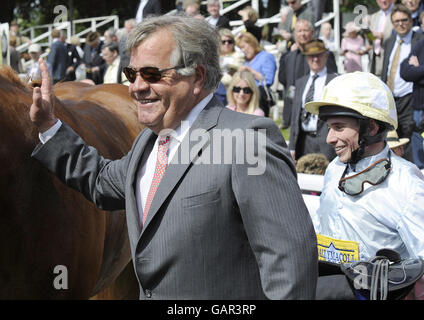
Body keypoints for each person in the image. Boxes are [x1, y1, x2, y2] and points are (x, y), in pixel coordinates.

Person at [30, 14, 317, 300]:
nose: (136, 87)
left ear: (198, 77)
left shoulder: (247, 141)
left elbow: (290, 265)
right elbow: (101, 181)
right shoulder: (148, 141)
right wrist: (48, 127)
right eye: (132, 74)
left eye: (152, 74)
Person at [305, 71, 424, 299]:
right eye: (329, 127)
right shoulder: (335, 168)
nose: (329, 138)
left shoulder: (407, 183)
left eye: (339, 127)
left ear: (371, 128)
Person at [381, 4, 424, 162]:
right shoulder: (390, 41)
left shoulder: (419, 41)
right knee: (391, 138)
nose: (401, 24)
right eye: (396, 21)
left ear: (411, 21)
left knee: (408, 139)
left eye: (404, 20)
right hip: (391, 98)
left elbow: (411, 72)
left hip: (411, 98)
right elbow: (384, 69)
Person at [278, 19, 337, 128]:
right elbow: (283, 79)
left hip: (319, 112)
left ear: (312, 33)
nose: (302, 34)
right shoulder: (288, 57)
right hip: (293, 109)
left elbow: (333, 80)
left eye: (305, 30)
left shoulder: (325, 55)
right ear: (294, 34)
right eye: (299, 31)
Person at [289, 39, 337, 162]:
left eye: (319, 55)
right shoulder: (300, 82)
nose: (315, 59)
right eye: (311, 56)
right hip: (304, 141)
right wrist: (292, 147)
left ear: (326, 56)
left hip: (326, 141)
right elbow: (295, 117)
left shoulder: (335, 80)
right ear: (306, 58)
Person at [237, 32, 277, 117]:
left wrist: (250, 71)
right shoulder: (247, 61)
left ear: (252, 43)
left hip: (259, 98)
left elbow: (268, 80)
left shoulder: (266, 56)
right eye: (241, 49)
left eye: (244, 47)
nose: (243, 50)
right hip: (246, 97)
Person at [400, 36, 424, 168]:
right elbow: (405, 72)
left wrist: (417, 70)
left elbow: (412, 74)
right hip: (419, 110)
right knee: (419, 156)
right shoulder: (420, 45)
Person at [367, 0, 394, 77]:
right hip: (374, 58)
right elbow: (372, 39)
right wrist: (369, 36)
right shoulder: (373, 17)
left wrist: (382, 36)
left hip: (389, 58)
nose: (383, 0)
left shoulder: (396, 14)